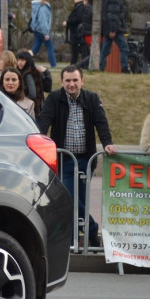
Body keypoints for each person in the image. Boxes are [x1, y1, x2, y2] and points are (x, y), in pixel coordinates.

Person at [37, 65, 117, 247]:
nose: (71, 84)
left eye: (75, 80)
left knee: (79, 200)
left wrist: (107, 143)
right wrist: (39, 140)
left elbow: (101, 123)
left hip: (85, 159)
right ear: (62, 82)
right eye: (67, 81)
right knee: (68, 199)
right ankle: (89, 230)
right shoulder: (54, 99)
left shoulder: (91, 98)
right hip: (64, 159)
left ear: (82, 81)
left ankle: (76, 237)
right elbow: (44, 121)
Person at [99, 0, 129, 72]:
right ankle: (124, 68)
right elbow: (113, 14)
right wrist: (113, 30)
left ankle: (101, 67)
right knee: (124, 48)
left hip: (108, 27)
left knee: (105, 50)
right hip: (115, 28)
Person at [29, 0, 56, 68]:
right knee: (50, 47)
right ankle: (53, 64)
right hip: (42, 31)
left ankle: (25, 58)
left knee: (35, 47)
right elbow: (43, 21)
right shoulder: (43, 7)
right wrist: (46, 33)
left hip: (37, 30)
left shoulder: (38, 5)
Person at [63, 0, 92, 66]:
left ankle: (75, 64)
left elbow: (78, 18)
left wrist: (68, 22)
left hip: (77, 32)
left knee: (76, 49)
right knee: (76, 49)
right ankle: (75, 64)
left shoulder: (80, 7)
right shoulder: (78, 7)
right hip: (76, 32)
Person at [16, 50, 45, 115]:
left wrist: (20, 100)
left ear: (28, 61)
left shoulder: (28, 74)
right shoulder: (23, 72)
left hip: (32, 109)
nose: (20, 62)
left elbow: (33, 94)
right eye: (18, 60)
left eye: (22, 60)